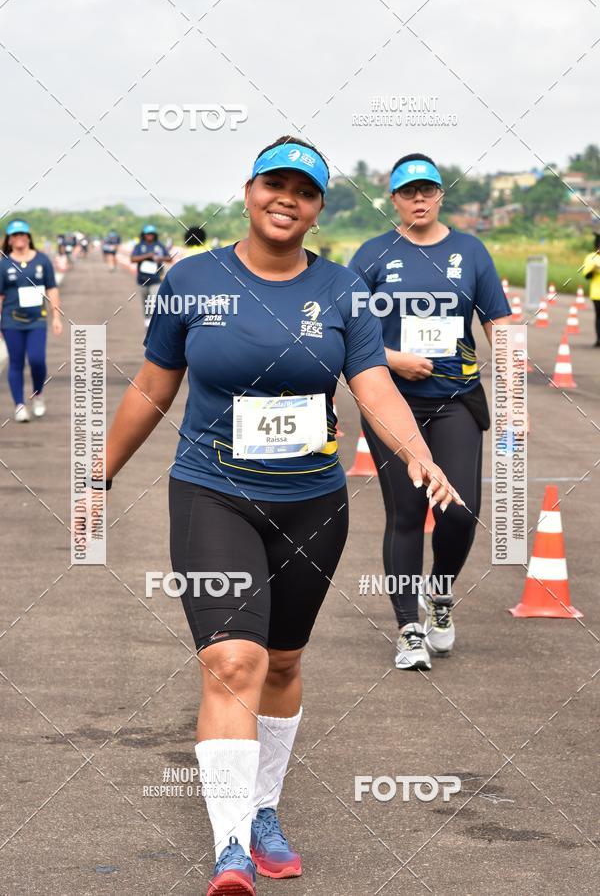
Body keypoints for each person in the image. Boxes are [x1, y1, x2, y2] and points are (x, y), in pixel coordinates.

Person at [100, 137, 462, 895]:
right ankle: (231, 846)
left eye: (304, 189)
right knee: (235, 661)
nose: (286, 198)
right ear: (249, 189)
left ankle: (263, 808)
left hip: (313, 503)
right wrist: (92, 471)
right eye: (275, 183)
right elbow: (151, 388)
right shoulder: (192, 280)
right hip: (213, 492)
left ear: (318, 207)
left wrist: (415, 452)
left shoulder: (340, 290)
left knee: (286, 661)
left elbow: (373, 385)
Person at [349, 153, 511, 671]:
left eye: (427, 190)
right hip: (390, 404)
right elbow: (345, 328)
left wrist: (515, 400)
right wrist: (393, 358)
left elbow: (500, 325)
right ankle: (408, 629)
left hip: (456, 400)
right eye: (407, 192)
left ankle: (439, 596)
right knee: (407, 514)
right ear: (393, 200)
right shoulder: (373, 255)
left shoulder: (470, 251)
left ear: (441, 194)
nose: (418, 200)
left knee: (459, 512)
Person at [0, 219, 63, 421]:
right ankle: (19, 405)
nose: (19, 238)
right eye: (15, 235)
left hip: (37, 320)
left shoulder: (42, 260)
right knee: (16, 362)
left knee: (37, 360)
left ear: (28, 237)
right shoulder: (4, 264)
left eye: (22, 234)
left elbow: (52, 288)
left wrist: (56, 317)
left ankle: (38, 394)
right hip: (12, 320)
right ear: (9, 240)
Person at [130, 225, 172, 327]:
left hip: (156, 279)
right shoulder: (139, 246)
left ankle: (154, 325)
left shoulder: (159, 245)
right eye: (148, 234)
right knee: (146, 303)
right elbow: (132, 259)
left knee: (154, 302)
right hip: (142, 280)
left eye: (152, 234)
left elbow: (169, 258)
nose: (150, 236)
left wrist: (159, 258)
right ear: (144, 235)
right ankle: (147, 322)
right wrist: (147, 256)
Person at [582, 231, 600, 346]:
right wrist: (593, 269)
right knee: (599, 317)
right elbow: (586, 275)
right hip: (597, 294)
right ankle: (599, 339)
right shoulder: (591, 258)